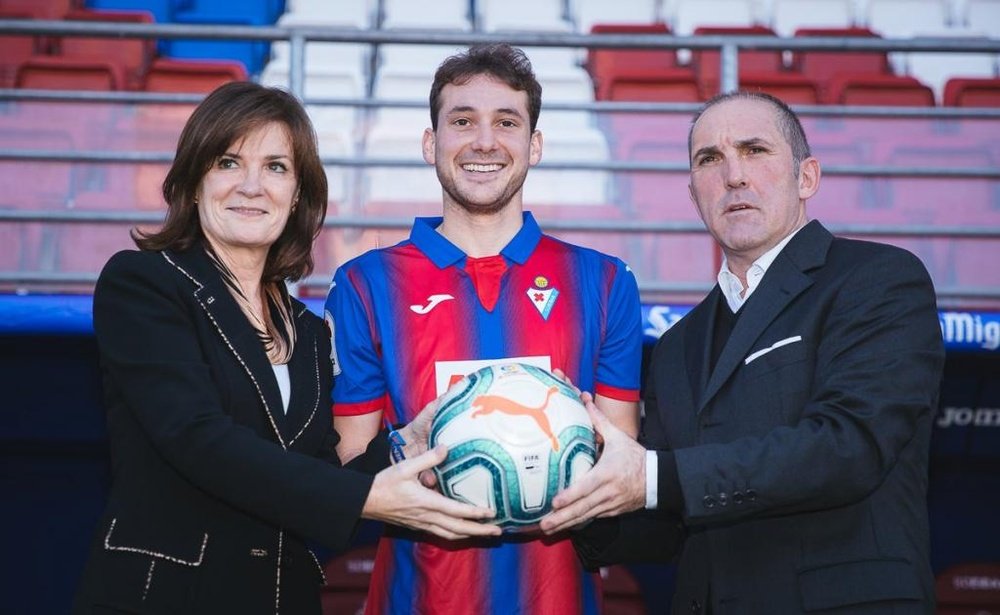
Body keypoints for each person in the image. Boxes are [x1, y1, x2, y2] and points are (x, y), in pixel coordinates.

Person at [73, 82, 500, 615]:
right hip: (165, 596)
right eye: (228, 162)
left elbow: (315, 468)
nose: (252, 186)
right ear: (194, 179)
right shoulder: (144, 283)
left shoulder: (307, 327)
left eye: (276, 167)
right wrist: (365, 499)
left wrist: (402, 448)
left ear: (297, 193)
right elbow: (195, 437)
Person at [541, 91, 946, 614]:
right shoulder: (676, 345)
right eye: (710, 158)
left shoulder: (878, 279)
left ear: (807, 178)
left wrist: (655, 478)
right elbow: (665, 522)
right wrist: (564, 497)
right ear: (694, 194)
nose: (733, 175)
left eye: (754, 150)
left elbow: (849, 447)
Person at [324, 44, 643, 614]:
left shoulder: (605, 282)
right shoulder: (365, 285)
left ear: (534, 146)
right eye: (462, 121)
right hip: (412, 598)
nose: (484, 142)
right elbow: (348, 473)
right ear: (431, 143)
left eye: (507, 122)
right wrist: (404, 448)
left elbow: (622, 464)